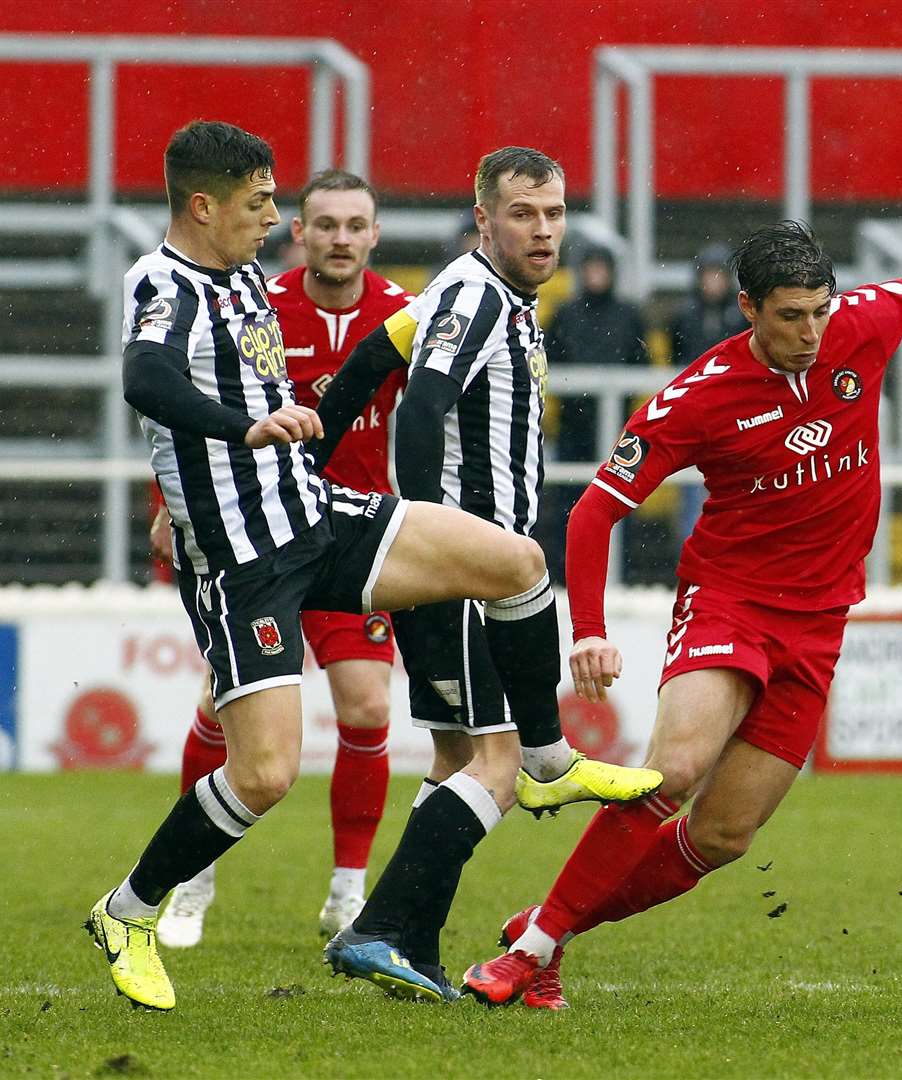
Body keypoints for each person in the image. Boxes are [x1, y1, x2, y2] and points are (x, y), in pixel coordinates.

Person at [457, 196, 902, 1009]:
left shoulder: (864, 322)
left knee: (722, 836)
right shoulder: (699, 394)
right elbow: (594, 510)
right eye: (792, 316)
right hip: (730, 603)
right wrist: (588, 631)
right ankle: (531, 958)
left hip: (820, 623)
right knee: (675, 768)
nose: (813, 331)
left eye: (822, 311)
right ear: (748, 307)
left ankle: (550, 927)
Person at [85, 121, 660, 1014]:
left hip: (315, 513)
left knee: (514, 560)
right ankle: (131, 910)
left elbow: (363, 361)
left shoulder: (245, 278)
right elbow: (145, 379)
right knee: (267, 774)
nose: (277, 217)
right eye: (260, 202)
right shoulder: (160, 282)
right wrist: (240, 434)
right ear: (203, 205)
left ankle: (544, 759)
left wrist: (312, 427)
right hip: (244, 558)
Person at [310, 146, 657, 1002]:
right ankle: (381, 928)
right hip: (472, 571)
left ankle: (410, 946)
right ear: (483, 218)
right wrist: (435, 535)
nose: (542, 231)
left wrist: (308, 451)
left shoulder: (471, 295)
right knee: (501, 765)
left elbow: (366, 364)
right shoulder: (473, 294)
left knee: (458, 757)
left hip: (458, 565)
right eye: (522, 214)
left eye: (553, 213)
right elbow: (422, 403)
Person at [150, 169, 414, 949]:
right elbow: (188, 401)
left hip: (354, 537)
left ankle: (347, 893)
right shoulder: (258, 305)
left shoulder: (403, 316)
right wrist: (168, 501)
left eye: (353, 224)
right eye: (323, 223)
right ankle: (192, 880)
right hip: (257, 534)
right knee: (220, 710)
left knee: (367, 707)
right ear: (298, 233)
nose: (339, 237)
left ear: (373, 235)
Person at [538, 242, 653, 575]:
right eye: (591, 267)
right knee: (569, 502)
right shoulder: (565, 313)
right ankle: (564, 572)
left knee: (619, 498)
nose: (597, 274)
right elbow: (549, 364)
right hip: (574, 428)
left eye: (602, 267)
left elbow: (640, 365)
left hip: (620, 428)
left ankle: (622, 571)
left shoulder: (629, 315)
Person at [667, 242, 748, 366]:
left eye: (719, 276)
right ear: (699, 278)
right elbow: (675, 353)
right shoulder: (685, 314)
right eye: (709, 275)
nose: (714, 282)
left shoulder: (743, 312)